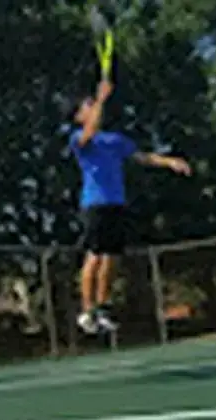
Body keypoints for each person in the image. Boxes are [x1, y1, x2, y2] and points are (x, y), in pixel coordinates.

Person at [68, 79, 191, 335]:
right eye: (87, 105)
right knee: (94, 255)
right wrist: (101, 99)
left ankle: (102, 307)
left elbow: (142, 157)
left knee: (112, 257)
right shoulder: (79, 138)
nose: (93, 107)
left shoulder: (115, 140)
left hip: (116, 203)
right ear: (79, 116)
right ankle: (87, 310)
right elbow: (90, 130)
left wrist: (169, 162)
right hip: (94, 205)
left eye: (93, 104)